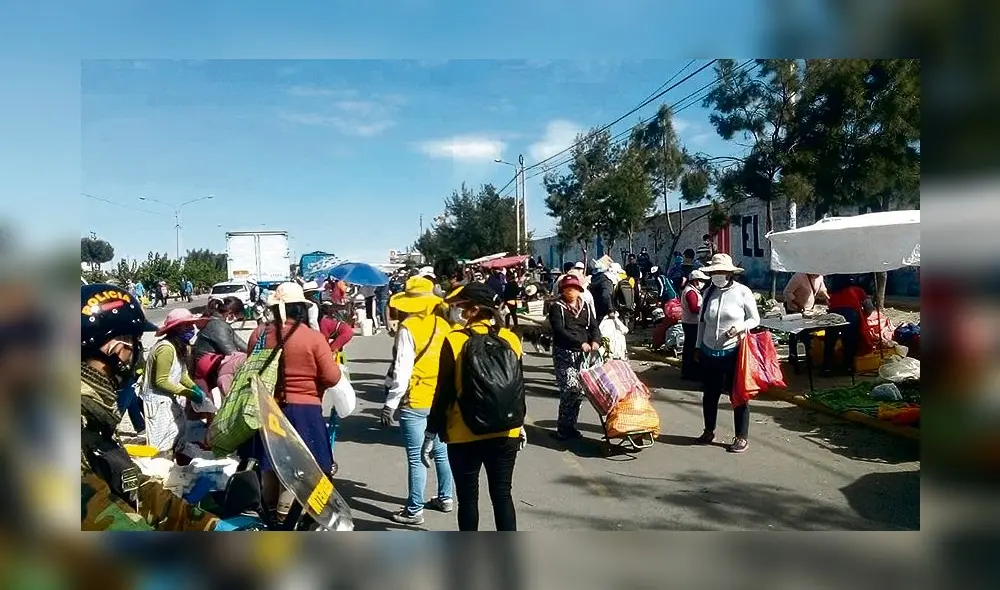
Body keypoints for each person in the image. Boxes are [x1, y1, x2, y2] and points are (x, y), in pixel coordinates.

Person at [80, 283, 219, 530]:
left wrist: (205, 524)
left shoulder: (95, 410)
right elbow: (98, 514)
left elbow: (131, 486)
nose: (136, 353)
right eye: (134, 341)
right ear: (116, 346)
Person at [425, 283, 527, 531]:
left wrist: (431, 432)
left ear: (472, 310)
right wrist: (520, 423)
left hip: (463, 433)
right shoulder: (510, 338)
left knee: (468, 500)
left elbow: (444, 392)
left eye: (459, 306)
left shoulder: (454, 340)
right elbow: (517, 386)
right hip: (506, 431)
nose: (455, 311)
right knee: (502, 495)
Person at [238, 282, 343, 510]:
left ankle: (271, 515)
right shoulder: (313, 338)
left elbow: (251, 369)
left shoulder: (259, 335)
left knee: (272, 465)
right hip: (305, 411)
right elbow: (332, 377)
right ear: (301, 309)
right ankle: (288, 516)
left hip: (268, 409)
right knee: (299, 469)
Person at [379, 277, 454, 525]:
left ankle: (414, 510)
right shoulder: (445, 325)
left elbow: (402, 370)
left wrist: (390, 404)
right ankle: (446, 498)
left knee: (416, 456)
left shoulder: (408, 328)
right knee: (441, 451)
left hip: (416, 400)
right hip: (441, 398)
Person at [696, 254, 760, 454]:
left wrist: (740, 327)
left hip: (734, 351)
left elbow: (755, 319)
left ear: (730, 273)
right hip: (708, 350)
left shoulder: (742, 292)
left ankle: (741, 436)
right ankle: (709, 430)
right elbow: (702, 323)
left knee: (738, 395)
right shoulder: (708, 293)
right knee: (710, 394)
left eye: (721, 272)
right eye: (714, 272)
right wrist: (698, 346)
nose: (718, 275)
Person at [141, 308, 209, 455]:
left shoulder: (179, 347)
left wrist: (195, 389)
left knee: (177, 435)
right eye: (188, 326)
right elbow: (161, 381)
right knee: (162, 445)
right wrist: (187, 393)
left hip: (169, 399)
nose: (192, 329)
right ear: (176, 328)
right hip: (157, 402)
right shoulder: (165, 348)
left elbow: (182, 375)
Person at [548, 275, 602, 440]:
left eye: (573, 288)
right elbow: (559, 330)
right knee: (569, 389)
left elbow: (594, 327)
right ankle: (562, 427)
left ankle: (571, 426)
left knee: (578, 392)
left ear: (579, 291)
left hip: (583, 356)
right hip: (564, 353)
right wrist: (580, 343)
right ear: (562, 290)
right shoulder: (557, 307)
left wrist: (596, 341)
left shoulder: (584, 305)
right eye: (567, 288)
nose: (570, 291)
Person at [192, 296, 248, 395]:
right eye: (237, 317)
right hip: (208, 374)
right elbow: (232, 354)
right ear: (230, 314)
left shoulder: (219, 323)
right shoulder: (218, 325)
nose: (236, 320)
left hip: (212, 370)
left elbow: (242, 344)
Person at [823, 275, 872, 375]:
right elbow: (869, 307)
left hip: (833, 316)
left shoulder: (834, 292)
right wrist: (865, 315)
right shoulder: (858, 290)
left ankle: (826, 367)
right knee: (850, 342)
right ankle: (847, 367)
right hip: (850, 316)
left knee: (830, 342)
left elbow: (830, 305)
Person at [782, 272, 830, 368]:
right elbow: (787, 292)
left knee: (806, 333)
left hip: (808, 310)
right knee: (794, 334)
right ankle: (793, 356)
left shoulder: (819, 277)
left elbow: (822, 290)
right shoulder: (798, 277)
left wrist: (828, 300)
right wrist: (798, 305)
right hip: (794, 309)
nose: (818, 275)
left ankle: (808, 356)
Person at [680, 269, 709, 381]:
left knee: (689, 347)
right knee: (692, 348)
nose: (702, 283)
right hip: (692, 323)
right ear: (696, 281)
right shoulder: (690, 292)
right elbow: (693, 308)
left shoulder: (690, 290)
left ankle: (688, 371)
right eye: (701, 281)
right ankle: (690, 372)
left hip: (689, 321)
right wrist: (705, 309)